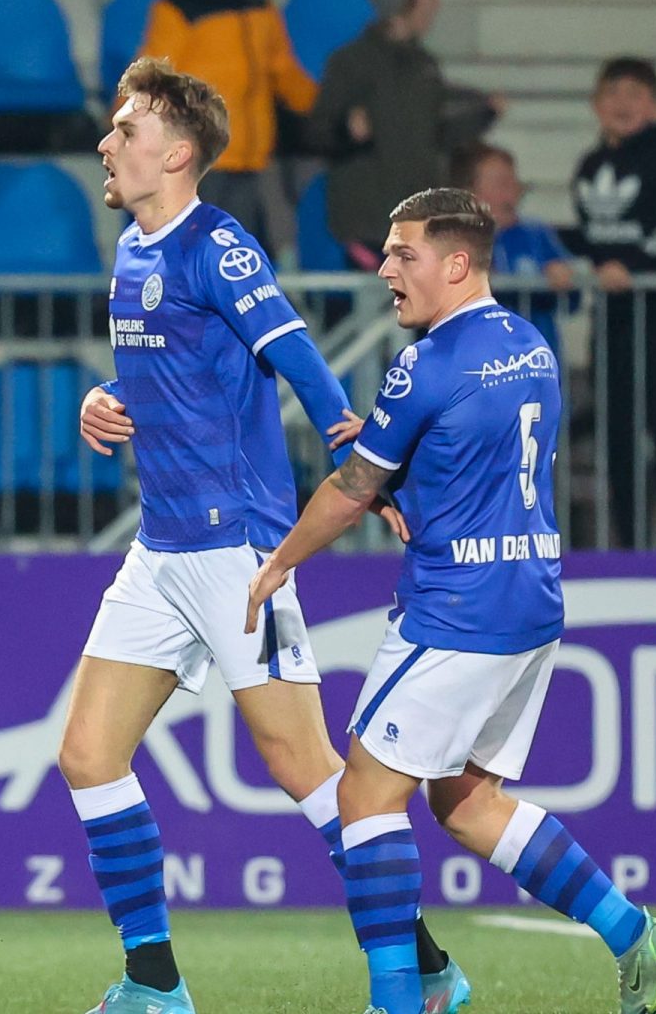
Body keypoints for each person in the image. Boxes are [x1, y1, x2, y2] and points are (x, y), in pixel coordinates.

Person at [66, 57, 469, 1014]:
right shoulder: (133, 248)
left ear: (179, 151)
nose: (106, 143)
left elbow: (294, 353)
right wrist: (105, 398)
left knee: (309, 773)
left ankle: (426, 970)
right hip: (159, 550)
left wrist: (358, 460)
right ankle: (154, 984)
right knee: (88, 755)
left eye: (125, 131)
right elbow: (180, 375)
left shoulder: (219, 244)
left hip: (234, 547)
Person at [246, 188, 656, 1014]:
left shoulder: (428, 361)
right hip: (532, 603)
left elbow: (352, 489)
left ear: (456, 263)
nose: (385, 270)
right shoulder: (531, 345)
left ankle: (400, 1000)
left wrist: (278, 563)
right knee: (468, 801)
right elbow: (468, 456)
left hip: (458, 609)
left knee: (364, 797)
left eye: (402, 254)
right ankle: (635, 935)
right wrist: (397, 453)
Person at [567, 57, 656, 548]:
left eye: (635, 94)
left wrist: (638, 268)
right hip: (612, 321)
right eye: (612, 93)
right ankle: (629, 541)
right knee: (618, 433)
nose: (622, 104)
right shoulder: (589, 166)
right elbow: (592, 236)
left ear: (654, 104)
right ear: (595, 104)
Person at [308, 0, 500, 269]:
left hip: (417, 226)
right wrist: (346, 129)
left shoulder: (424, 65)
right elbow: (317, 133)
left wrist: (482, 114)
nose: (436, 3)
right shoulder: (351, 62)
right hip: (369, 228)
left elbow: (434, 134)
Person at [135, 0, 318, 251]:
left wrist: (325, 107)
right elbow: (151, 74)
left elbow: (284, 73)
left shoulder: (258, 5)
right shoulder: (177, 9)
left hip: (252, 159)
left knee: (236, 259)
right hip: (200, 162)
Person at [456, 142, 575, 357]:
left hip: (534, 365)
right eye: (501, 185)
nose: (512, 194)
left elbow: (572, 300)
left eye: (514, 183)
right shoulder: (451, 240)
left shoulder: (536, 234)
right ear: (470, 192)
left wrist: (563, 278)